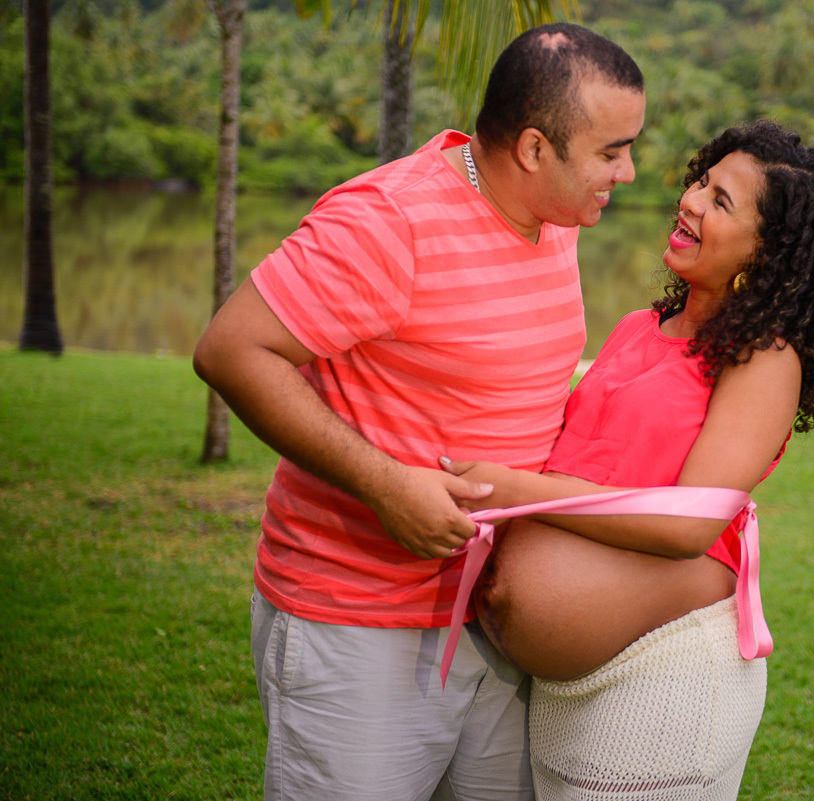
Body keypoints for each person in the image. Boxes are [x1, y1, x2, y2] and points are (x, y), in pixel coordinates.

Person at [191, 23, 645, 801]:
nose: (630, 172)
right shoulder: (388, 223)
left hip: (497, 622)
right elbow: (231, 350)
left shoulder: (555, 218)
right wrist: (385, 483)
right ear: (535, 149)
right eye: (611, 151)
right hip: (360, 627)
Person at [439, 119, 814, 800]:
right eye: (701, 181)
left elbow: (691, 524)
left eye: (721, 201)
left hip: (664, 679)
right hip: (564, 685)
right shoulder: (640, 326)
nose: (690, 201)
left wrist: (514, 489)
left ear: (770, 251)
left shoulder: (764, 356)